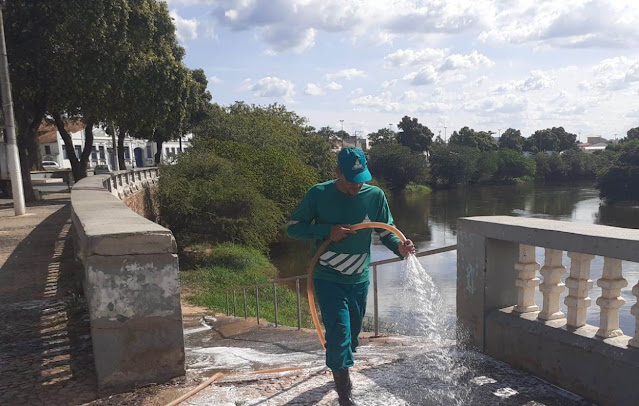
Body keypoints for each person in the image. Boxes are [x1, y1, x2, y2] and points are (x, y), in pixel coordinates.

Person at [287, 146, 415, 406]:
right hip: (328, 277)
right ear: (337, 172)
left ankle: (341, 365)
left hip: (358, 279)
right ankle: (345, 394)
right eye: (351, 181)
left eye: (361, 180)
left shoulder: (374, 195)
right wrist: (326, 232)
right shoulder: (318, 193)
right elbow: (293, 229)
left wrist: (400, 248)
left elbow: (386, 231)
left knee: (353, 336)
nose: (357, 186)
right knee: (339, 334)